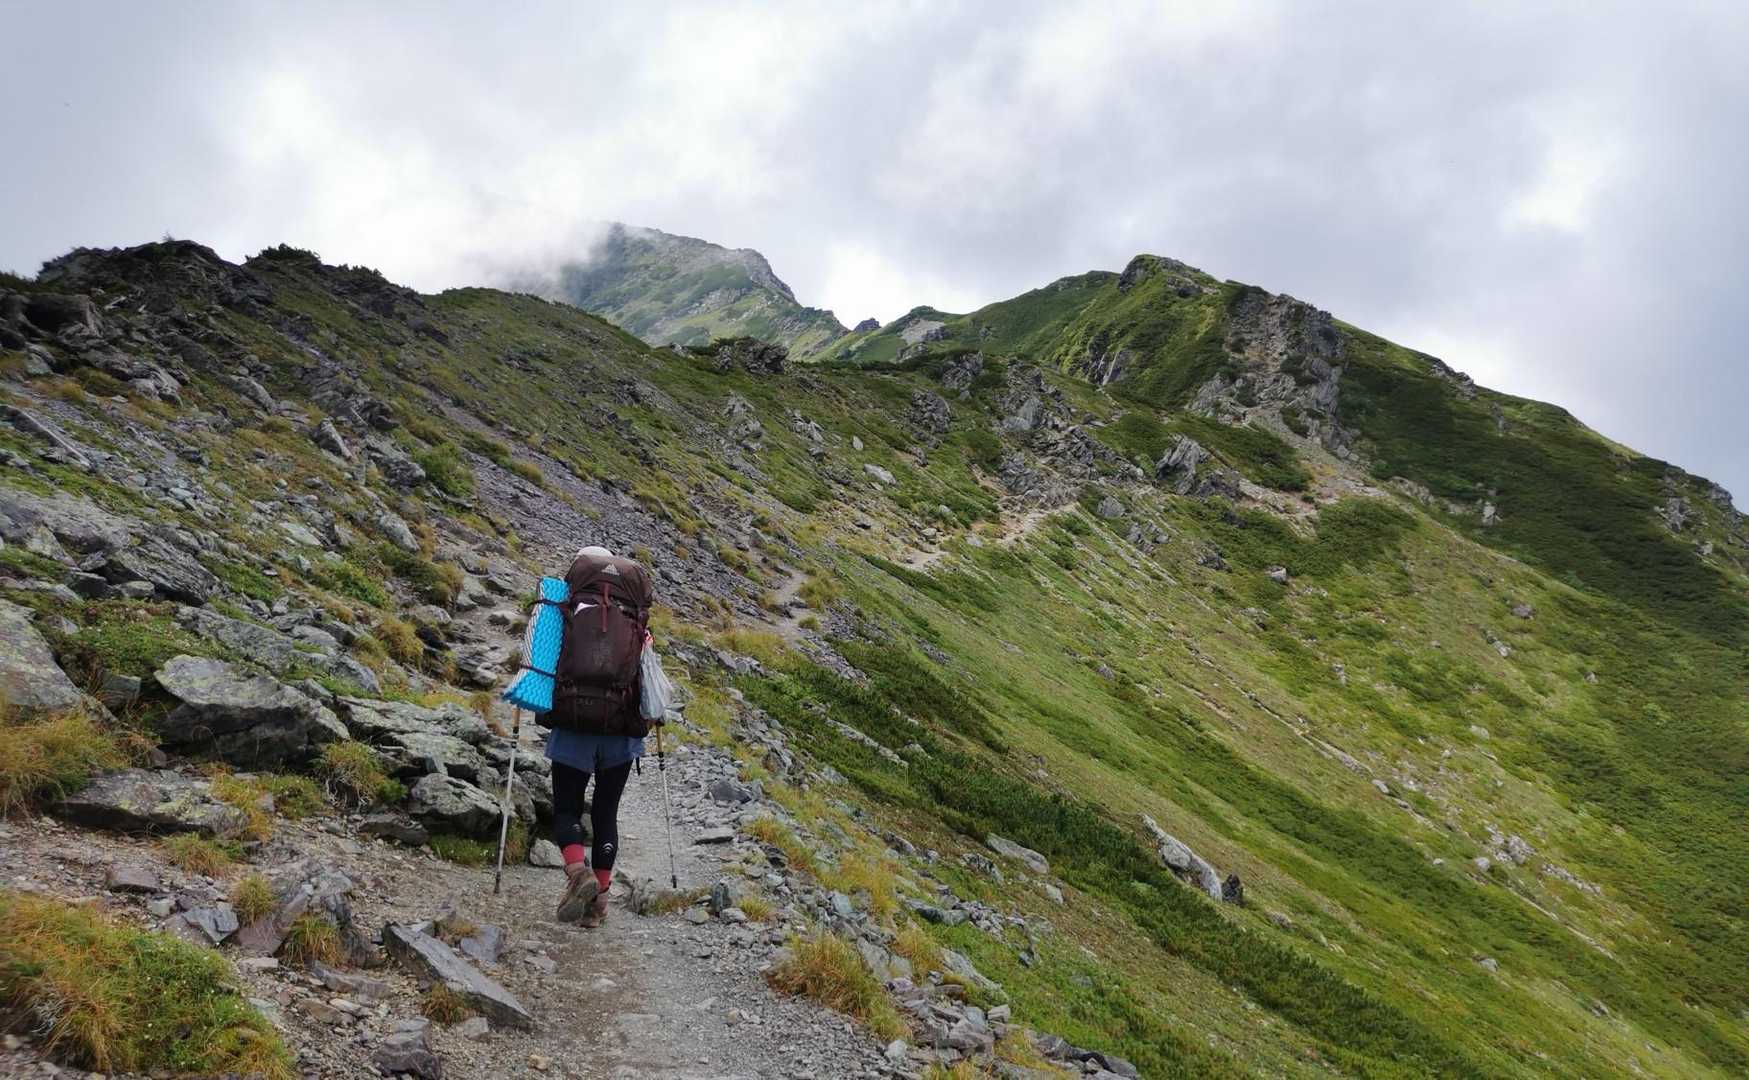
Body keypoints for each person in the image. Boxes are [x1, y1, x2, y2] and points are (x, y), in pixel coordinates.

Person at [547, 544, 657, 927]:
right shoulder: (636, 620)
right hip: (620, 730)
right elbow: (648, 675)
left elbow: (540, 662)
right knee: (606, 812)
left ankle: (579, 873)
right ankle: (599, 904)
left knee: (566, 808)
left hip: (573, 722)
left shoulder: (563, 612)